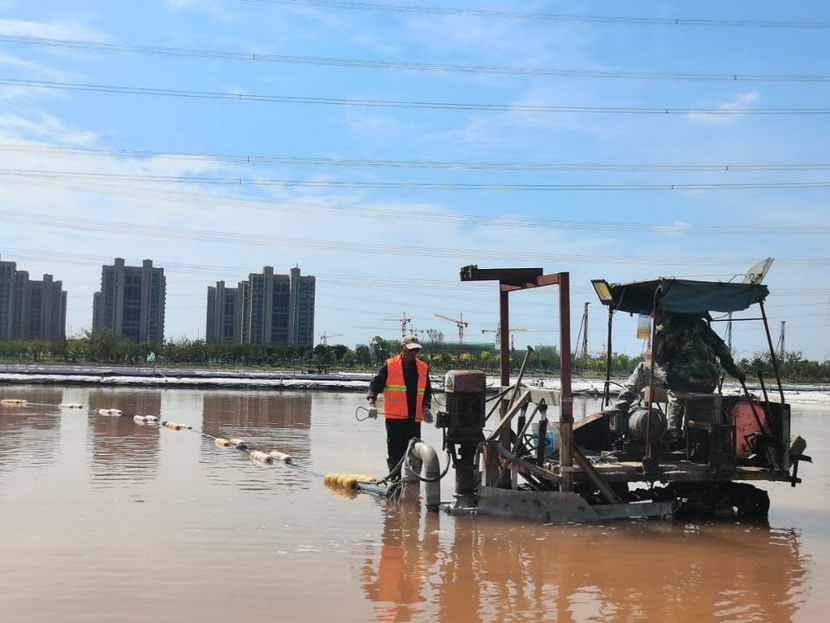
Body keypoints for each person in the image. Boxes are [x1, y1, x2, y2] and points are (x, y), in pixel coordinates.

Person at [654, 311, 746, 443]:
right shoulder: (701, 325)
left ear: (662, 312)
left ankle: (673, 433)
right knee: (678, 388)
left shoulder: (666, 327)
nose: (653, 318)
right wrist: (736, 372)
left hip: (683, 381)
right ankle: (682, 433)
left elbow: (659, 358)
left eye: (654, 314)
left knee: (644, 369)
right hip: (709, 384)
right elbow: (722, 349)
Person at [367, 335, 433, 473]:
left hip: (414, 421)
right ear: (402, 348)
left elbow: (426, 392)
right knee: (395, 454)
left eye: (416, 350)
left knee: (415, 454)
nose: (414, 353)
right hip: (394, 420)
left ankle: (414, 483)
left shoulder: (422, 367)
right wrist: (372, 404)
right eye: (411, 350)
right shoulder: (390, 365)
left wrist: (426, 409)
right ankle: (395, 481)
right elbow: (375, 385)